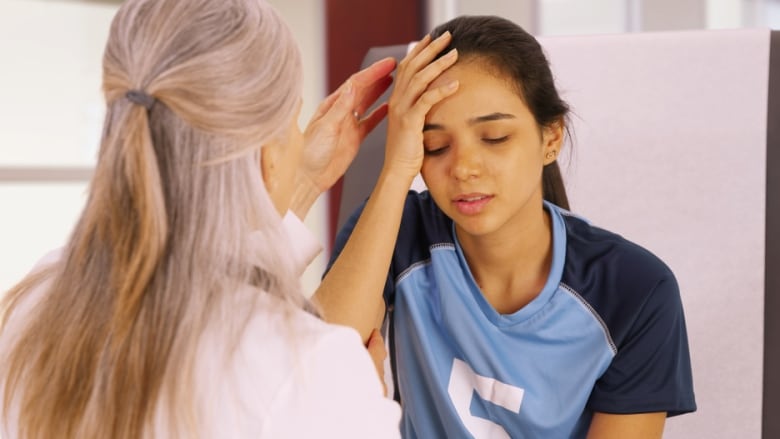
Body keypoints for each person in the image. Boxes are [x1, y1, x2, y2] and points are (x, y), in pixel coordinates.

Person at [0, 0, 402, 438]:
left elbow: (207, 283)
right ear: (268, 157)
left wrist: (300, 181)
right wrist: (364, 403)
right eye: (292, 125)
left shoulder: (32, 305)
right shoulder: (313, 370)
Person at [316, 15, 697, 438]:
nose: (463, 168)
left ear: (550, 138)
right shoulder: (397, 232)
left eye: (494, 137)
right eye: (434, 145)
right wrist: (396, 170)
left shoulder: (635, 289)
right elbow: (315, 374)